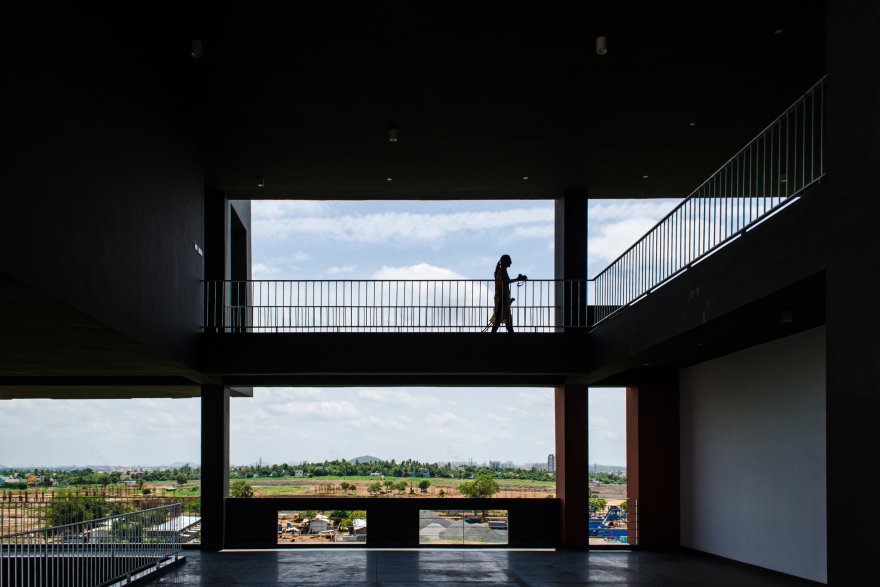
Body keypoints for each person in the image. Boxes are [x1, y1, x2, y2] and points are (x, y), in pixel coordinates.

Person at [491, 255, 526, 332]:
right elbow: (505, 281)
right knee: (499, 318)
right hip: (502, 298)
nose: (510, 262)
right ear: (504, 261)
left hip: (504, 298)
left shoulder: (501, 271)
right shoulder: (502, 271)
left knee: (507, 319)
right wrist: (518, 279)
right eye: (509, 260)